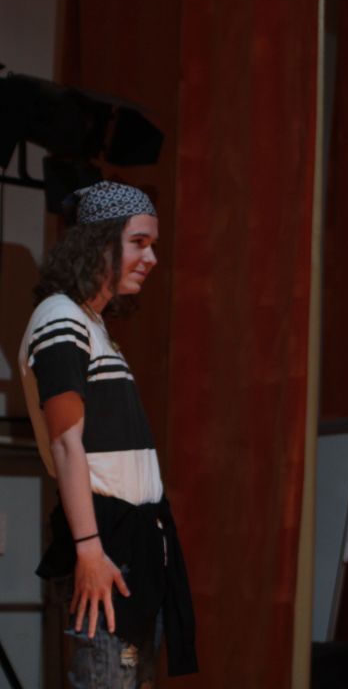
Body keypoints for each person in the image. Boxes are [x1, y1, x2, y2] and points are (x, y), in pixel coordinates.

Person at [18, 181, 197, 687]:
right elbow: (65, 442)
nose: (152, 258)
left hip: (132, 544)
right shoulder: (61, 318)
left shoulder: (92, 325)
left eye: (152, 244)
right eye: (139, 242)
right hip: (106, 544)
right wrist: (89, 550)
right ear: (99, 243)